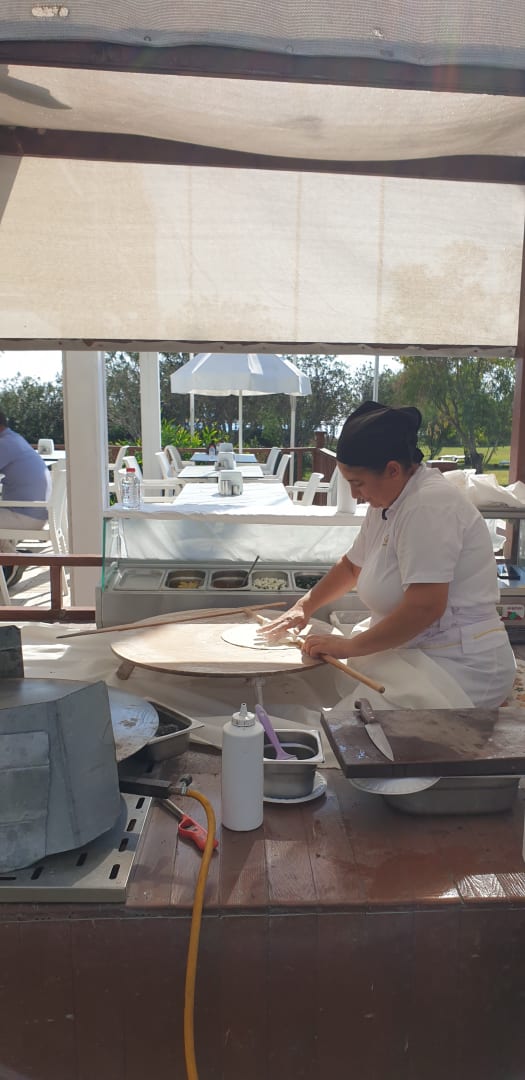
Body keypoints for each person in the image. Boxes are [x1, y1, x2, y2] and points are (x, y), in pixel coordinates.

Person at [262, 400, 516, 709]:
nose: (355, 494)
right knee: (303, 687)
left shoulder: (428, 506)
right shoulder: (388, 498)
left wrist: (350, 646)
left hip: (458, 665)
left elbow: (425, 607)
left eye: (358, 483)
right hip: (413, 650)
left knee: (348, 725)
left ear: (393, 469)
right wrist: (304, 606)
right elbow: (352, 566)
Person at [0, 410, 51, 588]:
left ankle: (11, 561)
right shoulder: (14, 439)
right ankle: (12, 560)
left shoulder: (5, 444)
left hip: (25, 515)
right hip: (34, 512)